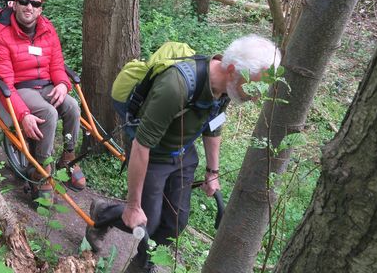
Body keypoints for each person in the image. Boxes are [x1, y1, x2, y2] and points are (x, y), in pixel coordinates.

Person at [86, 35, 281, 273]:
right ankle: (103, 213)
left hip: (184, 153)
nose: (255, 95)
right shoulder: (176, 86)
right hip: (153, 154)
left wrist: (213, 172)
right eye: (252, 86)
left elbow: (213, 125)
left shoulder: (227, 89)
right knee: (147, 220)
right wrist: (132, 205)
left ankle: (141, 265)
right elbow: (141, 145)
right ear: (232, 69)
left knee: (175, 223)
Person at [0, 0, 86, 199]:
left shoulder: (48, 30)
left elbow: (57, 65)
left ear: (40, 9)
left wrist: (62, 84)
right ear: (15, 5)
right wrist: (23, 115)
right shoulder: (2, 36)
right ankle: (42, 168)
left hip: (47, 85)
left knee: (72, 106)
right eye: (24, 2)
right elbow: (5, 84)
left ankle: (68, 156)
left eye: (35, 4)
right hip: (21, 88)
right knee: (48, 113)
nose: (29, 7)